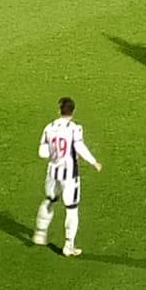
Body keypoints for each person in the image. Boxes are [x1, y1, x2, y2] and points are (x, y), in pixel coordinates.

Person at [32, 96, 102, 257]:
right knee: (71, 209)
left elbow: (42, 153)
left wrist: (55, 153)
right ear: (73, 111)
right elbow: (79, 147)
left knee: (49, 200)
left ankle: (40, 234)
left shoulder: (49, 127)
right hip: (69, 175)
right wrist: (94, 162)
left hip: (52, 172)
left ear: (59, 109)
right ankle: (68, 246)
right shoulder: (74, 128)